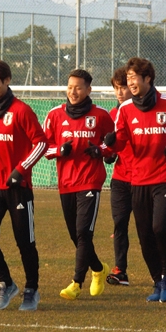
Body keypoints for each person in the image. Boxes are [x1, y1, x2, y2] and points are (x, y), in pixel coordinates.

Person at [103, 57, 166, 303]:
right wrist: (111, 143)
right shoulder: (125, 110)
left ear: (148, 79)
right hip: (138, 179)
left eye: (135, 78)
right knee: (145, 234)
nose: (131, 83)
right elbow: (121, 141)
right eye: (128, 78)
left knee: (160, 228)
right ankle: (157, 281)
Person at [0, 59, 47, 311]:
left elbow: (41, 143)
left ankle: (31, 289)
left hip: (18, 188)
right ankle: (7, 283)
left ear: (7, 81)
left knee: (25, 242)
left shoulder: (22, 111)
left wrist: (20, 169)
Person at [44, 69, 115, 300]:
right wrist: (58, 150)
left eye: (78, 87)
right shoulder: (54, 115)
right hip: (66, 183)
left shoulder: (101, 115)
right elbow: (43, 147)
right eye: (70, 87)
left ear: (88, 90)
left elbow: (115, 144)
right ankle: (98, 268)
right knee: (76, 236)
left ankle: (76, 283)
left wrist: (102, 151)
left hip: (91, 181)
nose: (73, 91)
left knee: (84, 231)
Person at [105, 66, 134, 286]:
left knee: (152, 228)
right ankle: (120, 270)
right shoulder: (113, 115)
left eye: (123, 87)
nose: (120, 92)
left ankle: (161, 272)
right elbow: (110, 147)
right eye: (116, 88)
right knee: (119, 223)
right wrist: (108, 154)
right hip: (121, 178)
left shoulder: (143, 111)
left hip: (147, 179)